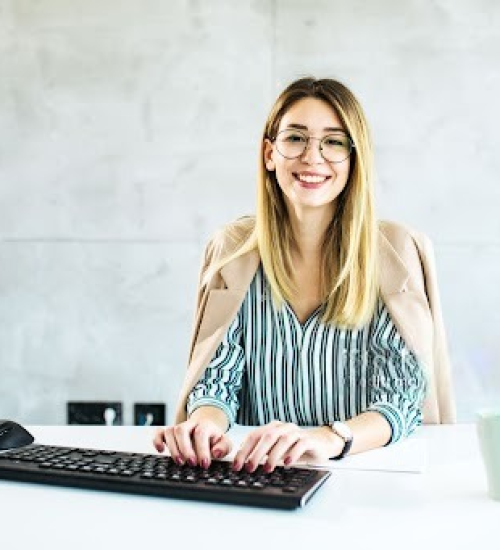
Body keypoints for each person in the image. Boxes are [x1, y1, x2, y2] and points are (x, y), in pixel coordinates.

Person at [153, 77, 454, 474]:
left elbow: (400, 400)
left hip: (368, 479)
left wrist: (326, 440)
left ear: (354, 157)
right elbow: (216, 382)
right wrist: (204, 428)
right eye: (295, 138)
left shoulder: (395, 252)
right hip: (257, 476)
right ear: (269, 153)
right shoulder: (233, 251)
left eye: (333, 142)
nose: (313, 157)